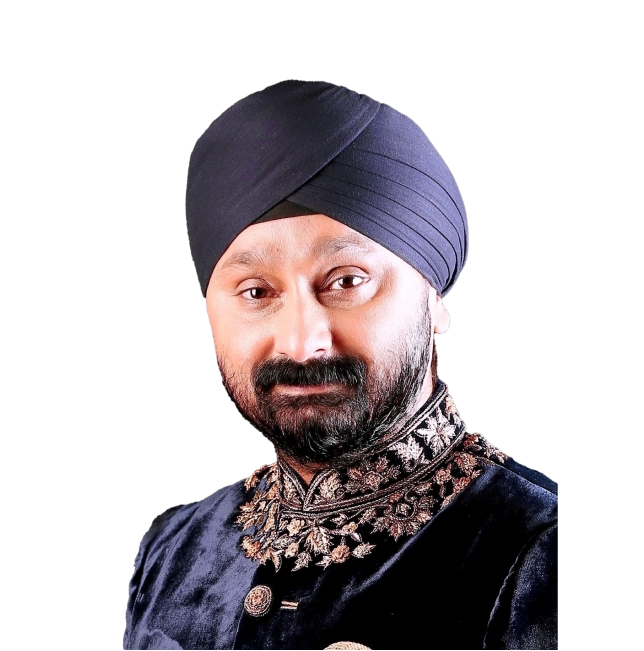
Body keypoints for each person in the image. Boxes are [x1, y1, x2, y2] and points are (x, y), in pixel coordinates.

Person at [124, 80, 559, 651]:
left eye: (346, 282)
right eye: (256, 292)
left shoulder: (532, 551)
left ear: (435, 300)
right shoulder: (174, 552)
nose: (303, 344)